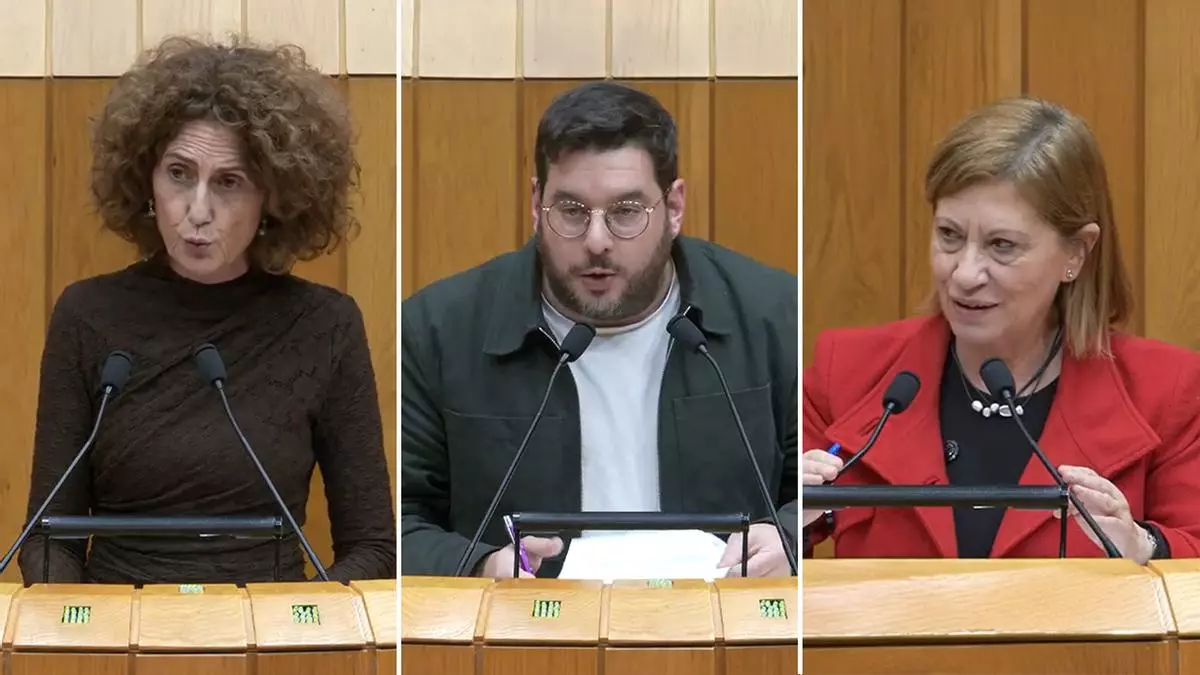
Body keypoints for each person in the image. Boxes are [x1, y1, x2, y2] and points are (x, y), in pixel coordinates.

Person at [17, 36, 395, 584]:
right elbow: (49, 539)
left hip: (267, 625)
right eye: (178, 174)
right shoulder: (87, 316)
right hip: (120, 620)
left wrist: (300, 619)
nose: (197, 211)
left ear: (274, 197)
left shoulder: (325, 326)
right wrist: (80, 622)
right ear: (146, 179)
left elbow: (372, 548)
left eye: (228, 183)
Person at [401, 82, 797, 578]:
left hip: (719, 616)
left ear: (674, 208)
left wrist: (785, 538)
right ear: (536, 204)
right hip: (530, 621)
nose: (596, 240)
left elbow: (811, 491)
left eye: (626, 212)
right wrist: (485, 566)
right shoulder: (440, 330)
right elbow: (402, 526)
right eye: (571, 211)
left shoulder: (770, 315)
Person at [803, 96, 1200, 562]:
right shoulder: (848, 375)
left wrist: (1145, 545)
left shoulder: (1167, 392)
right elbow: (765, 562)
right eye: (949, 236)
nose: (965, 273)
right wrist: (789, 523)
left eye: (1002, 245)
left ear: (1076, 253)